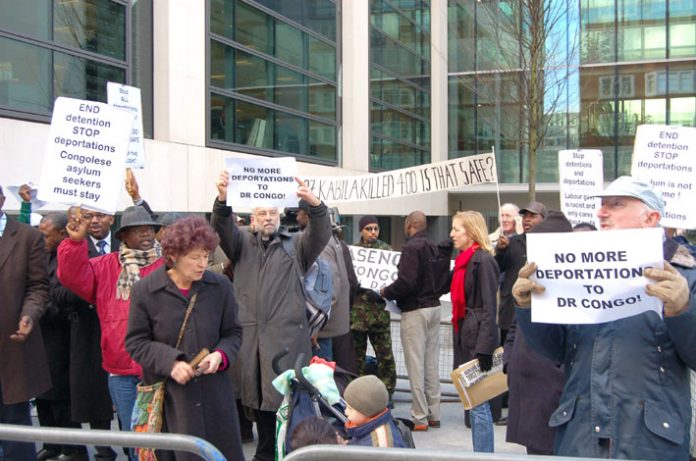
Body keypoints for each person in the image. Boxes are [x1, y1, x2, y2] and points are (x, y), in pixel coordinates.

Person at [513, 176, 696, 460]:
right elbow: (554, 350)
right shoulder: (576, 269)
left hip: (649, 442)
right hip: (581, 436)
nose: (600, 212)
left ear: (651, 217)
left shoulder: (685, 276)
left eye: (616, 204)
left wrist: (683, 310)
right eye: (601, 205)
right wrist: (527, 308)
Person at [211, 171, 331, 461]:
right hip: (250, 342)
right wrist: (223, 200)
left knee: (282, 404)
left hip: (285, 344)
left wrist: (315, 205)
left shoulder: (297, 246)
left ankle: (280, 454)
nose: (268, 217)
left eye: (273, 212)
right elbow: (221, 228)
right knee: (258, 403)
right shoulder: (240, 245)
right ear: (252, 219)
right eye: (262, 213)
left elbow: (321, 232)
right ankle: (266, 453)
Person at [126, 216, 244, 461]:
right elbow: (136, 342)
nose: (203, 264)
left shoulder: (220, 286)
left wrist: (220, 356)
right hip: (172, 400)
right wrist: (172, 362)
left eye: (206, 256)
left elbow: (233, 332)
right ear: (173, 256)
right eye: (194, 257)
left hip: (215, 398)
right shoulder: (145, 291)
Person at [58, 205, 164, 460]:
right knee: (132, 438)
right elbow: (71, 276)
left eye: (149, 229)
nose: (146, 234)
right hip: (121, 369)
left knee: (163, 438)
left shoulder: (169, 264)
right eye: (137, 231)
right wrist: (74, 242)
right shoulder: (104, 266)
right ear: (123, 237)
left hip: (161, 365)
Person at [503, 211, 569, 455]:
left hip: (552, 390)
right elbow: (515, 323)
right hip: (526, 384)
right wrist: (510, 359)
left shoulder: (572, 285)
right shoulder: (528, 275)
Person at [36, 212, 92, 461]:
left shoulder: (68, 257)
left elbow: (70, 293)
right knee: (41, 392)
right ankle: (51, 443)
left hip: (62, 333)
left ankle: (72, 448)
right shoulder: (41, 256)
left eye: (45, 235)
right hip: (39, 335)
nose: (40, 239)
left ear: (61, 235)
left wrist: (40, 309)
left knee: (59, 394)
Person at [0, 184, 51, 460]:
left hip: (11, 349)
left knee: (15, 427)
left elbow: (38, 287)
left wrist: (28, 315)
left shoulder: (27, 237)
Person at [380, 211, 441, 431]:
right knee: (431, 363)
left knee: (415, 365)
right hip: (434, 307)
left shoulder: (411, 248)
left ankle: (420, 417)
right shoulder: (433, 246)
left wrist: (386, 291)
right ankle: (434, 412)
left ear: (408, 225)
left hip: (415, 310)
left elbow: (405, 281)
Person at [449, 210, 499, 453]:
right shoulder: (463, 262)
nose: (452, 234)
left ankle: (483, 455)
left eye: (456, 229)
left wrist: (485, 348)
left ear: (470, 232)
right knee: (474, 403)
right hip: (467, 335)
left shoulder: (484, 261)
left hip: (476, 341)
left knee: (479, 405)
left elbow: (491, 306)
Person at [296, 199, 351, 361]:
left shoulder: (321, 244)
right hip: (327, 324)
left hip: (322, 328)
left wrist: (316, 326)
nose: (296, 218)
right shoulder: (330, 239)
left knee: (319, 378)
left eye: (299, 213)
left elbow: (329, 286)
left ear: (307, 216)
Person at [351, 216, 397, 397]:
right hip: (357, 317)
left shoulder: (386, 250)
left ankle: (387, 393)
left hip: (379, 315)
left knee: (385, 357)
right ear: (361, 230)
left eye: (376, 229)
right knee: (357, 358)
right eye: (368, 229)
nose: (373, 232)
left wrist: (380, 291)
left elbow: (393, 279)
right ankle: (358, 394)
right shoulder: (353, 251)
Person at [495, 202, 546, 345]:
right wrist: (501, 251)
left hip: (538, 313)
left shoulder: (550, 244)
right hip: (511, 313)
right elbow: (496, 269)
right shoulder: (511, 243)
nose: (527, 219)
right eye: (525, 216)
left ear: (543, 219)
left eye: (532, 216)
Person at [343, 375, 408, 448]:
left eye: (350, 409)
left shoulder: (382, 447)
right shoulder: (367, 424)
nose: (346, 412)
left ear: (367, 410)